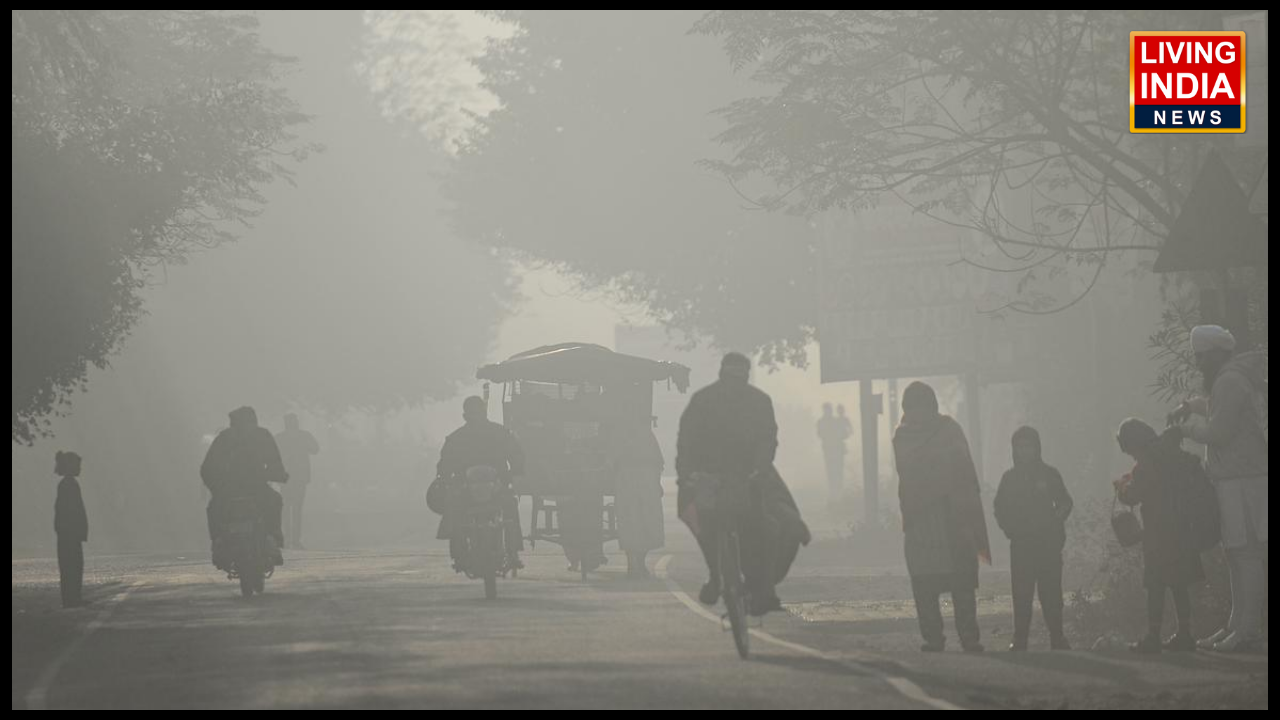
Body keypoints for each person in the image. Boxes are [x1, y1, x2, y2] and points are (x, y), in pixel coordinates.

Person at [1172, 325, 1268, 653]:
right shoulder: (1232, 377)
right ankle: (1236, 625)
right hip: (1239, 477)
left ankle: (1248, 629)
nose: (1198, 363)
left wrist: (1186, 428)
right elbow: (1216, 406)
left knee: (1247, 554)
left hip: (1244, 479)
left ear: (1214, 353)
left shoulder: (1229, 380)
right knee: (1237, 554)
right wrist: (1191, 407)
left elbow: (1220, 431)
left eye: (1201, 356)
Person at [676, 352, 784, 616]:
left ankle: (748, 583)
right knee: (700, 517)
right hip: (715, 478)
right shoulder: (751, 401)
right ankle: (721, 575)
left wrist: (759, 469)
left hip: (741, 477)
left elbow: (766, 440)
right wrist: (688, 473)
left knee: (763, 528)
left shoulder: (708, 400)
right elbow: (687, 441)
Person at [892, 381, 991, 652]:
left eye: (922, 407)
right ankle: (933, 639)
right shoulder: (902, 437)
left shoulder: (950, 430)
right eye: (912, 408)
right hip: (920, 521)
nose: (917, 414)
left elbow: (963, 469)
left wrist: (943, 480)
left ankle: (970, 638)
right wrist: (941, 476)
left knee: (961, 584)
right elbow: (911, 472)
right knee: (924, 585)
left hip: (955, 519)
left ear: (932, 407)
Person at [1115, 418, 1205, 653]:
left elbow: (1135, 495)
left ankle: (1153, 636)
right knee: (1178, 583)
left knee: (1156, 584)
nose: (1131, 455)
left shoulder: (1147, 461)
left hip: (1158, 531)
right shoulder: (1170, 454)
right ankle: (1185, 634)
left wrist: (1122, 487)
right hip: (1182, 527)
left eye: (1129, 449)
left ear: (1133, 443)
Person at [993, 426, 1072, 651]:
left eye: (1028, 446)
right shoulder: (1009, 479)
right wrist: (1010, 529)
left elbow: (1066, 502)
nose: (1024, 451)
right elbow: (999, 509)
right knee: (1022, 593)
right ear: (1014, 450)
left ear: (1037, 448)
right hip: (1021, 545)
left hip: (1048, 544)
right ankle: (1020, 640)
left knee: (1051, 594)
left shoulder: (1050, 474)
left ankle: (1058, 637)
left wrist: (1055, 523)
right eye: (1020, 446)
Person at [435, 396, 526, 570]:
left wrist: (514, 471)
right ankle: (462, 552)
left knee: (508, 508)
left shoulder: (458, 437)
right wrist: (515, 471)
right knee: (507, 507)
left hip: (494, 486)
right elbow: (517, 456)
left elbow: (516, 455)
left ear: (464, 416)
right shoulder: (498, 432)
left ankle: (510, 552)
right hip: (469, 488)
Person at [200, 406, 287, 569]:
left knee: (214, 508)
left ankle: (219, 542)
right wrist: (278, 474)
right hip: (249, 487)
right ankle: (272, 539)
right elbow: (276, 463)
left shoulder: (226, 437)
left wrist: (216, 488)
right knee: (274, 500)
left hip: (232, 489)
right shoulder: (261, 435)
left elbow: (207, 468)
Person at [610, 416, 665, 578]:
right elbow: (658, 462)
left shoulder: (623, 434)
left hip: (635, 482)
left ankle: (636, 563)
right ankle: (635, 563)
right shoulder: (633, 434)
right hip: (636, 482)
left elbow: (610, 462)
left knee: (636, 522)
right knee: (637, 522)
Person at [276, 413, 320, 549]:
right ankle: (295, 539)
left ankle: (287, 537)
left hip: (285, 478)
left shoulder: (279, 437)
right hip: (299, 478)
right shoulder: (304, 436)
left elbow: (272, 455)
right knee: (297, 509)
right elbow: (315, 449)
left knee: (285, 509)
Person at [54, 451, 88, 608]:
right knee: (72, 565)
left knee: (71, 565)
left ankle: (72, 597)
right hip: (70, 534)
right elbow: (70, 511)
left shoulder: (67, 484)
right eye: (77, 465)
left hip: (67, 534)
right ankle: (71, 598)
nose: (79, 468)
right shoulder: (69, 485)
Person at [817, 403, 851, 503]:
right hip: (833, 449)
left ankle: (836, 490)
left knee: (835, 470)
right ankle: (835, 490)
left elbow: (820, 434)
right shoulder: (831, 421)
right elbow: (821, 434)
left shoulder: (824, 422)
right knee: (834, 470)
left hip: (832, 449)